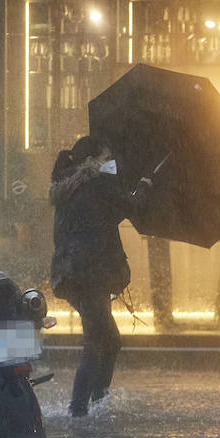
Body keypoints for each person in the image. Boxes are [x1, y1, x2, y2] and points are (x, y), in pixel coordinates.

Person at [49, 135, 152, 416]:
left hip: (69, 273)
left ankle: (98, 399)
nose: (111, 164)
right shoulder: (98, 184)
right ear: (90, 161)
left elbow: (96, 219)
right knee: (97, 341)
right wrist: (144, 186)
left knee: (109, 339)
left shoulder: (70, 187)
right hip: (90, 273)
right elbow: (133, 206)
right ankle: (80, 409)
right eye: (106, 159)